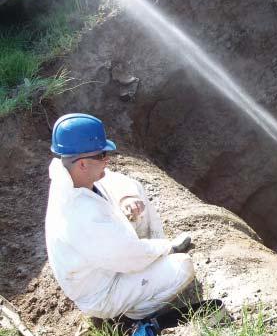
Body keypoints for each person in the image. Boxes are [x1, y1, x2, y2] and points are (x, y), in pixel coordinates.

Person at [45, 113, 195, 320]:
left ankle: (152, 263)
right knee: (182, 266)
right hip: (105, 292)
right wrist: (167, 248)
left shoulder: (70, 179)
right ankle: (136, 314)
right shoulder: (80, 215)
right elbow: (130, 257)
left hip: (109, 264)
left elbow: (112, 180)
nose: (108, 159)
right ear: (82, 164)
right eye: (101, 155)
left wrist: (126, 198)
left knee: (136, 192)